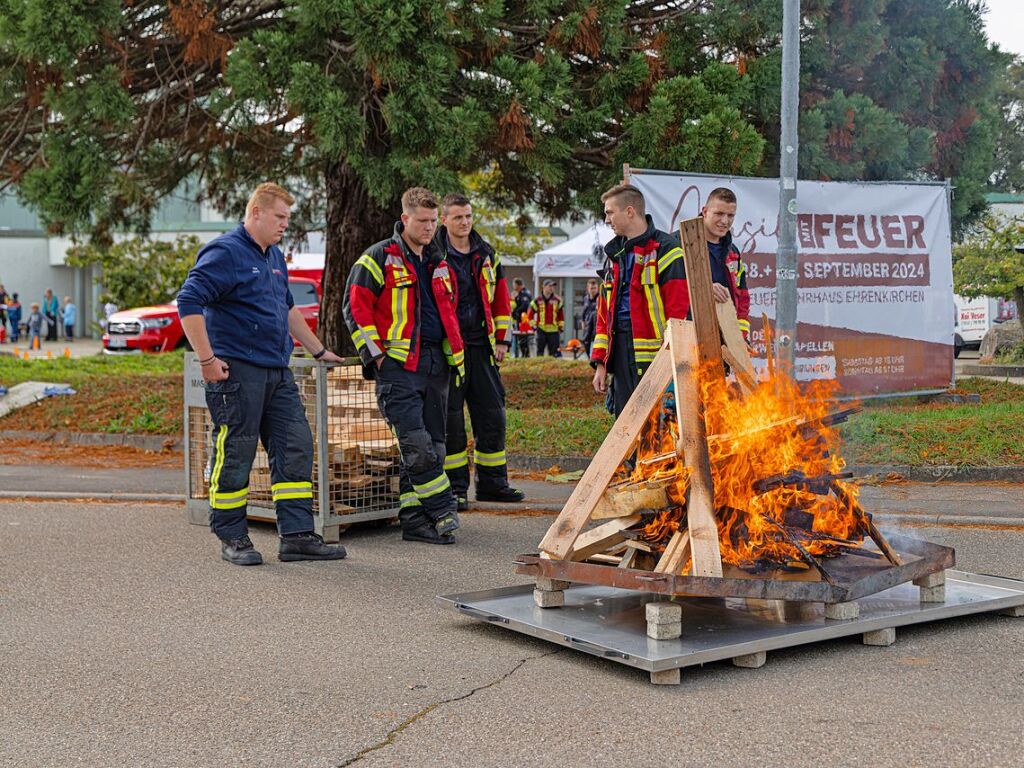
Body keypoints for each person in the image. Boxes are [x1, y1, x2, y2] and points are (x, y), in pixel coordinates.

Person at [177, 181, 348, 567]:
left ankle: (297, 536)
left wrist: (317, 349)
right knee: (236, 452)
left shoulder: (273, 256)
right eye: (280, 217)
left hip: (276, 371)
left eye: (288, 218)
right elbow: (188, 301)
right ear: (256, 213)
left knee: (295, 446)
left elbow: (287, 309)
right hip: (237, 373)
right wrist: (207, 360)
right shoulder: (226, 252)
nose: (285, 225)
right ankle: (232, 536)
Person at [343, 187, 464, 545]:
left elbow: (450, 313)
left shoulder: (439, 261)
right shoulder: (378, 257)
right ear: (405, 218)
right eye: (422, 221)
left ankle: (414, 519)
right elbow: (355, 310)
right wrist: (377, 357)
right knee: (418, 447)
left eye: (432, 221)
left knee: (434, 448)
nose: (429, 228)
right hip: (398, 366)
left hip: (435, 365)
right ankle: (443, 510)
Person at [591, 184, 750, 417]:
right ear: (704, 211)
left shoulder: (732, 253)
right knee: (646, 416)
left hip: (714, 341)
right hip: (676, 343)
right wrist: (601, 361)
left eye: (730, 216)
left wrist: (740, 338)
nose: (725, 221)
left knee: (707, 409)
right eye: (719, 214)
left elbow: (741, 299)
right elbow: (608, 314)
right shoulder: (679, 244)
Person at [435, 193, 525, 511]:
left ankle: (492, 484)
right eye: (458, 216)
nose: (465, 222)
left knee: (492, 416)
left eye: (469, 216)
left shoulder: (486, 253)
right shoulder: (434, 254)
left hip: (482, 347)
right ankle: (455, 489)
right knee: (452, 424)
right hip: (449, 351)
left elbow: (501, 299)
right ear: (444, 219)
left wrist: (502, 339)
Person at [528, 280, 564, 356]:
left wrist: (561, 327)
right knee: (540, 352)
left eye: (553, 286)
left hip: (554, 331)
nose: (552, 288)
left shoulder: (557, 301)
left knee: (554, 354)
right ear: (543, 287)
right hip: (541, 330)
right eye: (550, 286)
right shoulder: (537, 301)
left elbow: (561, 315)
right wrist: (534, 327)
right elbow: (530, 315)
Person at [509, 278, 532, 358]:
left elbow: (524, 306)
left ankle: (525, 355)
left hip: (524, 320)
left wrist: (515, 312)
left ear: (517, 285)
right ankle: (523, 354)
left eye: (514, 285)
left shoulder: (524, 293)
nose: (513, 287)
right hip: (520, 319)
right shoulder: (520, 294)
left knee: (523, 338)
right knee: (521, 338)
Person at [580, 278, 599, 354]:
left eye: (595, 288)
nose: (593, 290)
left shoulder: (600, 298)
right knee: (586, 344)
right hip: (587, 327)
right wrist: (582, 323)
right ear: (588, 288)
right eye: (591, 288)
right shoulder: (585, 298)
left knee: (595, 345)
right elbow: (583, 313)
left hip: (596, 326)